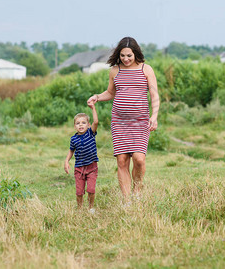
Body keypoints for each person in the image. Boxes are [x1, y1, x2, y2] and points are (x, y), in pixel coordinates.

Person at [87, 36, 159, 201]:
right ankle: (127, 201)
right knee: (122, 160)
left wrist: (154, 116)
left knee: (139, 159)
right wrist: (97, 97)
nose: (126, 59)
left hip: (140, 121)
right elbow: (111, 93)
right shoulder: (115, 70)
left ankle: (137, 192)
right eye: (122, 56)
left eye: (129, 55)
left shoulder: (146, 69)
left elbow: (154, 95)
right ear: (118, 55)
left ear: (136, 54)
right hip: (119, 122)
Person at [64, 104, 99, 213]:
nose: (81, 125)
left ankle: (91, 207)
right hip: (79, 168)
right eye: (78, 123)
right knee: (79, 192)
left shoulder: (90, 133)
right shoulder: (73, 139)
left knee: (91, 189)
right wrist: (66, 161)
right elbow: (71, 151)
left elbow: (96, 122)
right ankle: (79, 208)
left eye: (83, 123)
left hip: (92, 167)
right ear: (75, 126)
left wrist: (93, 108)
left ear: (88, 125)